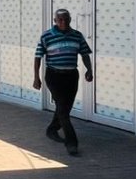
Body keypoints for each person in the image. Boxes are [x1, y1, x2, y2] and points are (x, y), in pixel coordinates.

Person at [33, 8, 93, 156]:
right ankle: (71, 143)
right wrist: (36, 77)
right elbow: (38, 57)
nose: (63, 22)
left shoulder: (77, 36)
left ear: (70, 20)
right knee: (63, 109)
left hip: (71, 76)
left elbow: (85, 54)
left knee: (65, 108)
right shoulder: (47, 36)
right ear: (55, 21)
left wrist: (89, 69)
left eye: (66, 19)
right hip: (54, 76)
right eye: (60, 19)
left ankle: (52, 129)